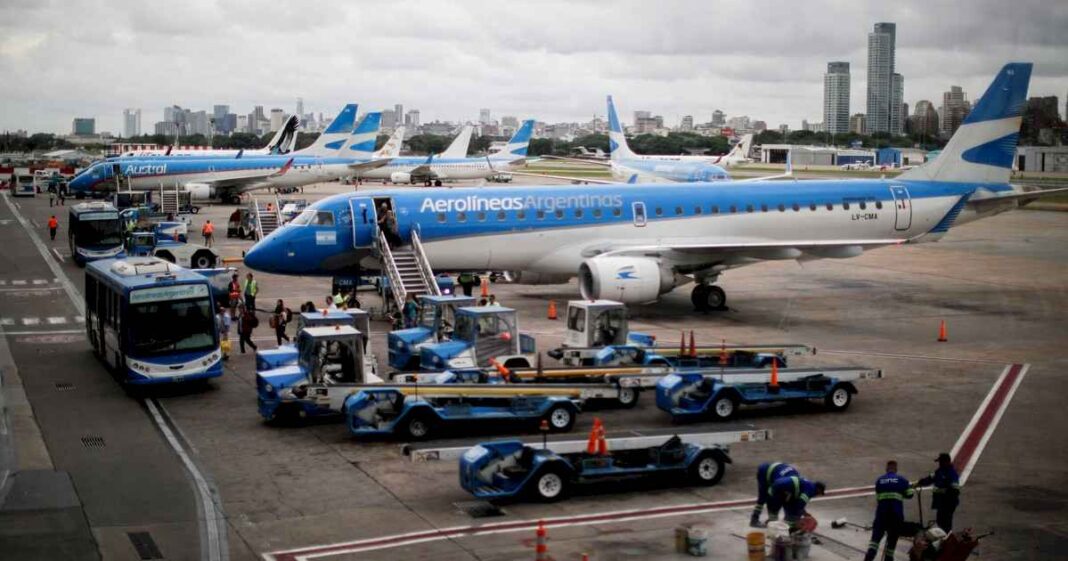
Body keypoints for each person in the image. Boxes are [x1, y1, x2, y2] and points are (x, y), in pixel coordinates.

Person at [864, 461, 915, 561]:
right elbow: (910, 495)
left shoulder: (879, 480)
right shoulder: (902, 480)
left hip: (881, 516)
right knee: (891, 543)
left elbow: (879, 497)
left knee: (874, 542)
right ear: (896, 469)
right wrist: (908, 490)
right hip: (896, 516)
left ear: (886, 469)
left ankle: (869, 558)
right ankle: (888, 558)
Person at [917, 453, 960, 533]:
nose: (939, 464)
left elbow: (955, 490)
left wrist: (946, 494)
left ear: (946, 462)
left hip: (948, 503)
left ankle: (946, 538)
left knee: (946, 523)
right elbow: (930, 478)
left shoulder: (951, 474)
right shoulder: (939, 471)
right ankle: (941, 537)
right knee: (940, 521)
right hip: (941, 503)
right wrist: (920, 482)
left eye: (941, 462)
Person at [751, 461, 800, 527]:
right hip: (764, 472)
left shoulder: (796, 481)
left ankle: (771, 519)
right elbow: (771, 496)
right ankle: (754, 520)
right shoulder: (782, 483)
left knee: (781, 499)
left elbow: (791, 502)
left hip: (775, 471)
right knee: (763, 497)